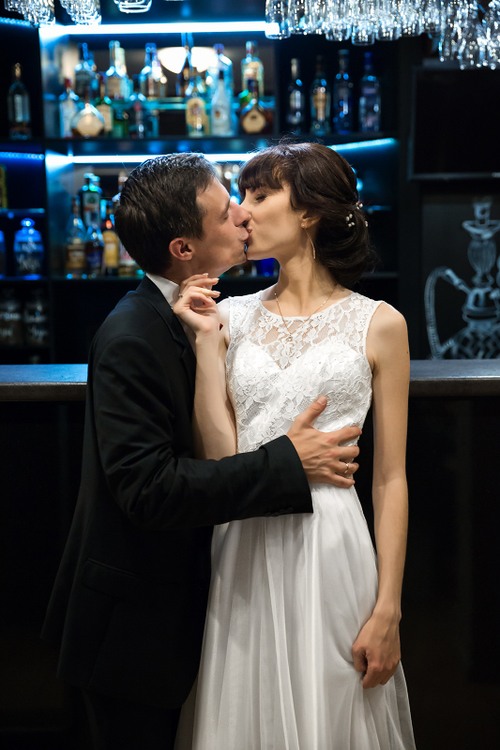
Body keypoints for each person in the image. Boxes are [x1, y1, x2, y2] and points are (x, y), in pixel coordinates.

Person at [41, 152, 363, 750]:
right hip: (132, 627)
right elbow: (148, 490)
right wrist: (288, 461)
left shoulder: (198, 313)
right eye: (226, 210)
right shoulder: (132, 334)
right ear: (184, 248)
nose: (243, 216)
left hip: (216, 598)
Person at [174, 142, 416, 748]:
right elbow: (220, 459)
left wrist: (389, 607)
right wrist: (205, 344)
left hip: (332, 543)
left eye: (260, 195)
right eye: (242, 195)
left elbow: (390, 478)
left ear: (308, 212)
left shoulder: (380, 323)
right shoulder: (229, 316)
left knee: (332, 711)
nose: (242, 211)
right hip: (243, 540)